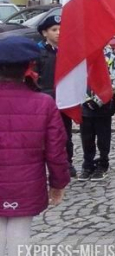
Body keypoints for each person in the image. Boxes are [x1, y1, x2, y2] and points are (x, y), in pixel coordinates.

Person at [0, 36, 70, 256]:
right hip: (26, 184)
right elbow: (57, 150)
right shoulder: (44, 103)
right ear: (29, 67)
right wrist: (58, 182)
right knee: (19, 238)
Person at [35, 14, 77, 178]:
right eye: (54, 30)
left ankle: (67, 162)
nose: (59, 33)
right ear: (45, 33)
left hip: (64, 100)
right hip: (45, 101)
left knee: (65, 133)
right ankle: (42, 164)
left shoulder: (68, 52)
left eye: (61, 29)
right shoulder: (39, 53)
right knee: (43, 136)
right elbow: (35, 77)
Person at [78, 45, 115, 181]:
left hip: (103, 104)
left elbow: (113, 80)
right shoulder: (81, 55)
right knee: (87, 136)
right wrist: (85, 99)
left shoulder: (110, 56)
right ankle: (87, 164)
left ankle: (103, 163)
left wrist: (98, 100)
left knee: (103, 136)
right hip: (85, 103)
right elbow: (77, 80)